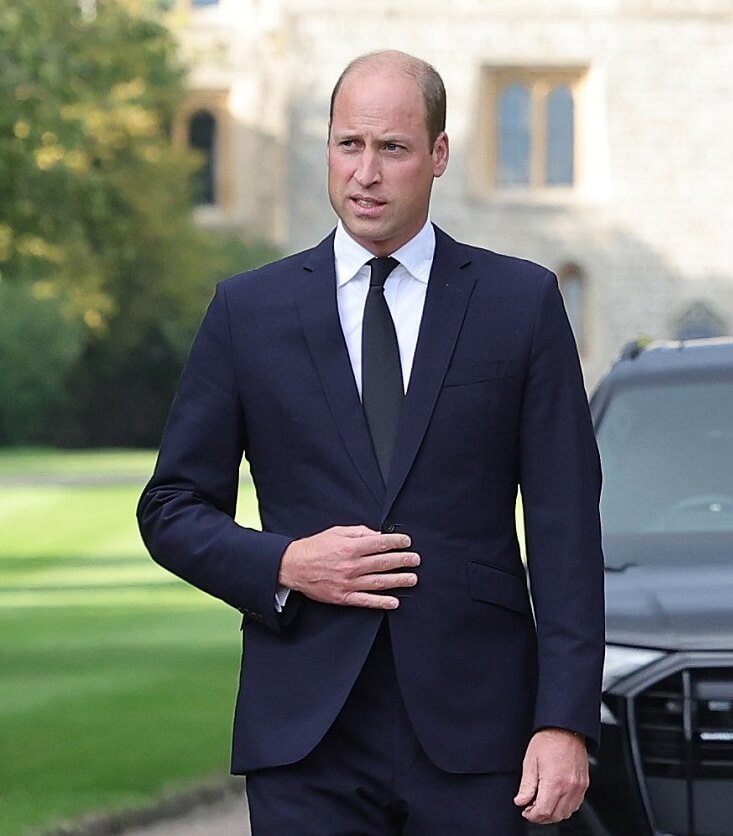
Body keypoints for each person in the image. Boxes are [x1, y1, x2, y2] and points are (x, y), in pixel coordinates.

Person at [137, 49, 603, 834]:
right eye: (349, 145)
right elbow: (172, 506)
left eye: (392, 148)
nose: (366, 173)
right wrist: (285, 562)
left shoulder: (520, 304)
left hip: (477, 731)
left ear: (438, 155)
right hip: (305, 731)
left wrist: (564, 723)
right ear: (327, 149)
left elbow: (565, 529)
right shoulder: (247, 312)